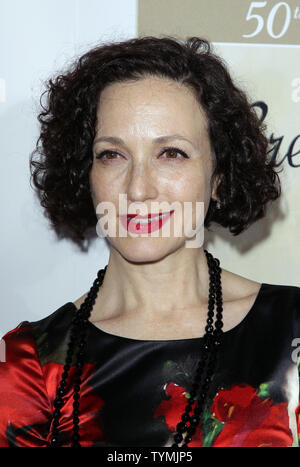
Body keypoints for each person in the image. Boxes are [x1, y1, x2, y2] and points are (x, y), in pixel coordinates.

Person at [0, 35, 299, 448]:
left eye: (171, 153)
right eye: (112, 155)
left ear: (218, 177)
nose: (138, 189)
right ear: (84, 174)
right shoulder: (28, 365)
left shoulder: (294, 330)